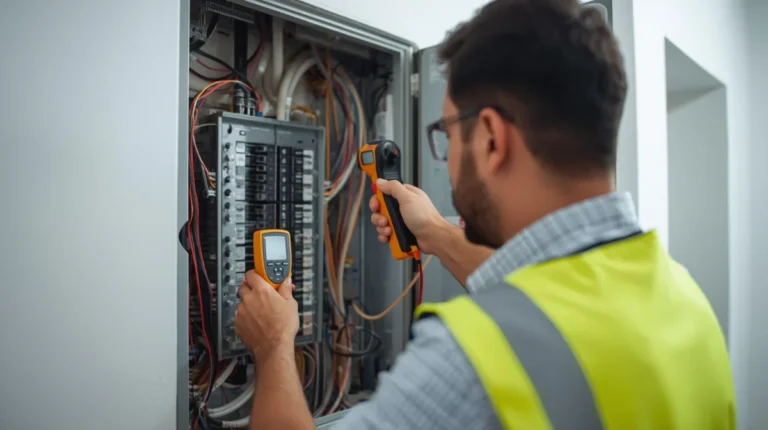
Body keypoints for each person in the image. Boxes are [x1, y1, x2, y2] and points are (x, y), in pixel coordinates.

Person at [234, 0, 736, 428]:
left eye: (448, 134)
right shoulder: (684, 297)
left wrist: (275, 343)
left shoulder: (472, 359)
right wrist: (433, 233)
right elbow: (552, 303)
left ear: (492, 139)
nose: (446, 158)